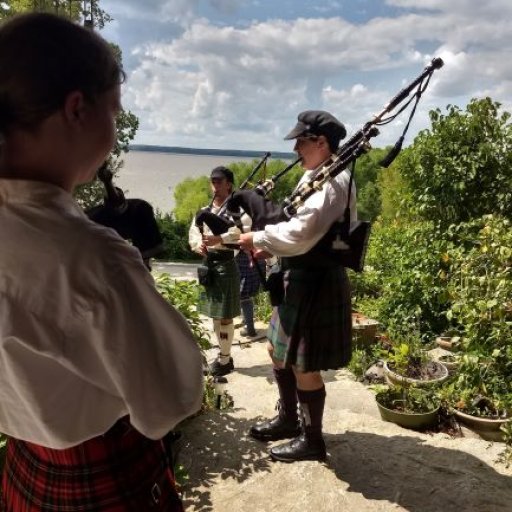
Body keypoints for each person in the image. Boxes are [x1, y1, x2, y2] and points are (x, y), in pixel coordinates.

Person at [0, 13, 203, 511]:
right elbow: (175, 397)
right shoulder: (91, 259)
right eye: (113, 111)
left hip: (26, 471)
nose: (113, 130)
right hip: (103, 480)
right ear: (76, 109)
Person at [238, 110, 354, 462]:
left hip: (315, 279)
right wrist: (266, 243)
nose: (297, 149)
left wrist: (256, 235)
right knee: (276, 350)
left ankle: (312, 439)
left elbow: (301, 235)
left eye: (302, 142)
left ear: (321, 143)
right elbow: (291, 223)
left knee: (305, 366)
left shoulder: (334, 182)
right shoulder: (314, 175)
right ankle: (289, 418)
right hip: (297, 276)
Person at [188, 166, 241, 377]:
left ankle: (225, 360)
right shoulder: (204, 210)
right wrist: (197, 245)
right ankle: (223, 354)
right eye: (213, 181)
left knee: (225, 316)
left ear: (229, 184)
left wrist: (221, 239)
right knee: (215, 316)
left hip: (226, 263)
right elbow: (193, 232)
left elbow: (243, 234)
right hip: (208, 264)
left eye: (219, 181)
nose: (215, 185)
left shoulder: (237, 210)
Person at [86, 164, 164, 270]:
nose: (117, 212)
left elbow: (155, 246)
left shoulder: (141, 209)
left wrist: (136, 259)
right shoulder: (93, 217)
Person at [236, 250, 265, 338]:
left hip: (246, 259)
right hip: (256, 257)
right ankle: (247, 324)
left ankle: (250, 328)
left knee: (245, 297)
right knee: (246, 296)